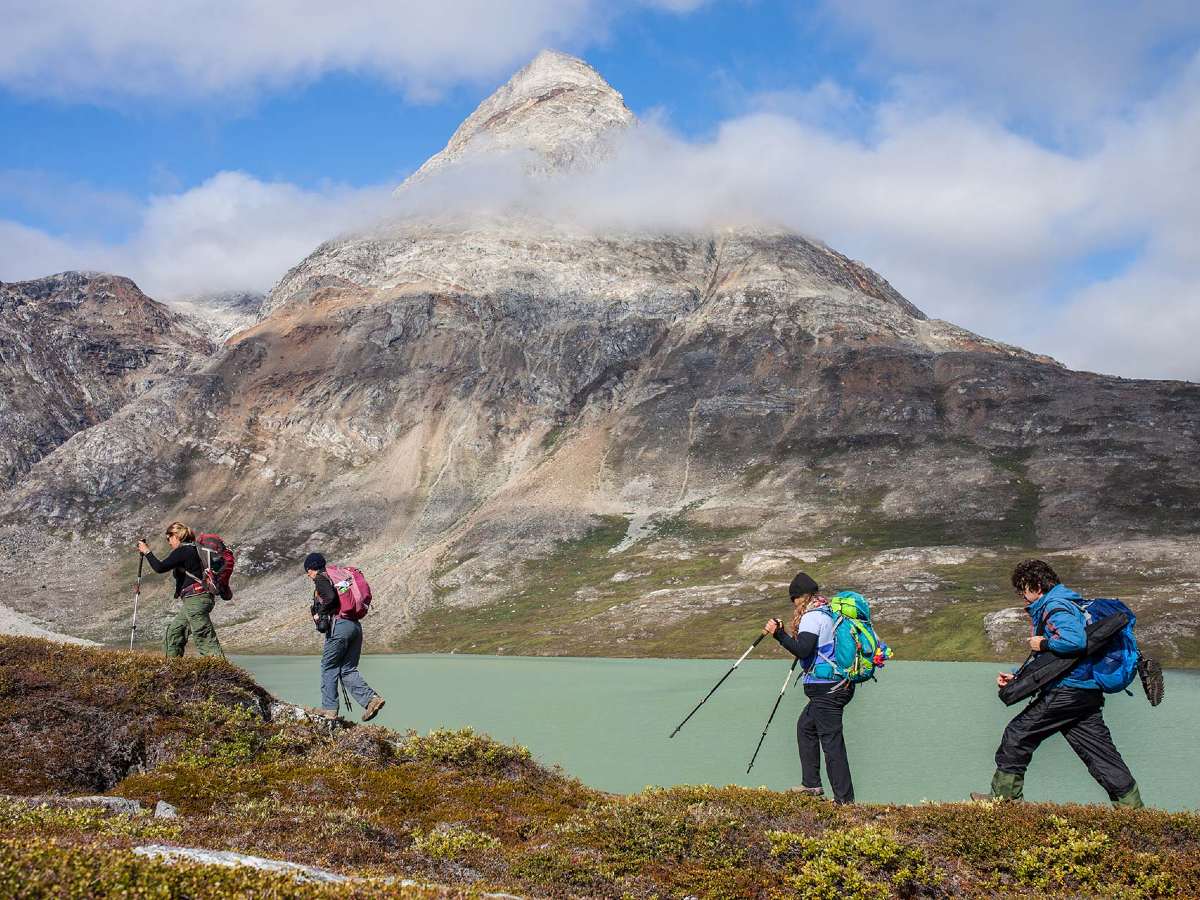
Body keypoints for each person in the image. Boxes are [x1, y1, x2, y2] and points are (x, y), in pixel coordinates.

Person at [972, 559, 1143, 807]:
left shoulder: (1055, 606)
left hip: (1068, 691)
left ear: (1037, 586)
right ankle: (1133, 811)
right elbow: (1057, 660)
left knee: (1018, 734)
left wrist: (1042, 643)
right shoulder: (1071, 602)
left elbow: (1074, 643)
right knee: (1100, 754)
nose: (1022, 596)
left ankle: (1004, 800)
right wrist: (1017, 677)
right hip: (1086, 692)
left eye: (1023, 590)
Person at [763, 572, 854, 803]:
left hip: (827, 690)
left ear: (799, 597)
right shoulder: (828, 611)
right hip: (833, 688)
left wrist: (779, 635)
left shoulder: (813, 617)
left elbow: (803, 649)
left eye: (793, 599)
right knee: (806, 727)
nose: (793, 604)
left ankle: (844, 802)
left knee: (832, 743)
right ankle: (811, 784)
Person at [305, 552, 386, 722]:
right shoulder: (340, 578)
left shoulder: (321, 578)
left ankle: (329, 710)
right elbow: (342, 598)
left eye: (308, 571)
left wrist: (320, 613)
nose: (308, 575)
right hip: (355, 627)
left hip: (340, 626)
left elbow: (331, 598)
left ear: (312, 568)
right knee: (347, 669)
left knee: (328, 667)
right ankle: (371, 700)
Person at [137, 522, 225, 658]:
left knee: (203, 636)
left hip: (195, 599)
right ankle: (172, 670)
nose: (169, 542)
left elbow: (160, 567)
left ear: (175, 536)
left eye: (168, 538)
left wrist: (147, 551)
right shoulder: (195, 549)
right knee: (174, 633)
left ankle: (222, 675)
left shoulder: (183, 551)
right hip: (198, 600)